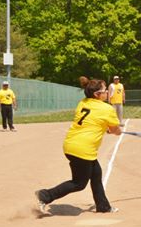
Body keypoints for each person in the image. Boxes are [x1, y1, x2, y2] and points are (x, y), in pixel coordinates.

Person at [36, 76, 122, 215]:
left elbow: (93, 121)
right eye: (105, 91)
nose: (107, 93)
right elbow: (114, 130)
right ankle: (45, 195)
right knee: (79, 183)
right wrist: (117, 130)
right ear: (97, 94)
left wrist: (106, 127)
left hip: (71, 144)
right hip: (83, 149)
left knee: (96, 174)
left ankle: (103, 207)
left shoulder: (83, 102)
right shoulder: (107, 109)